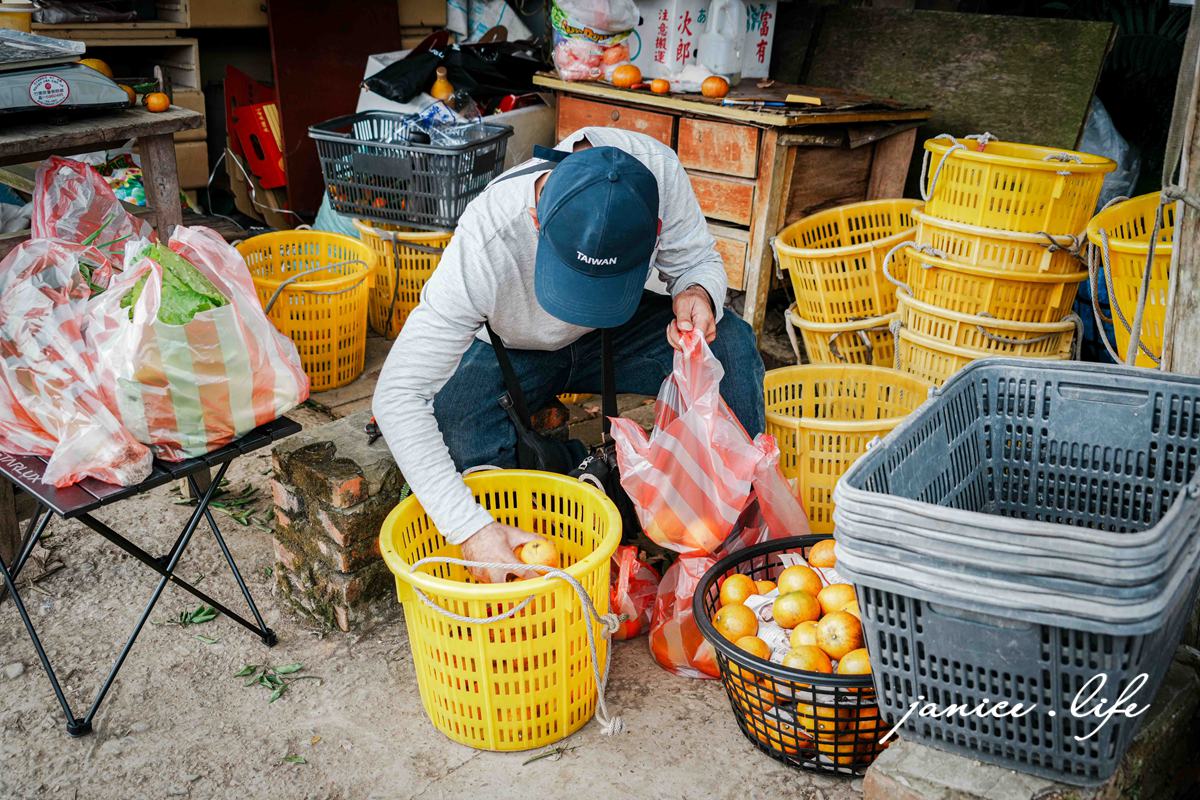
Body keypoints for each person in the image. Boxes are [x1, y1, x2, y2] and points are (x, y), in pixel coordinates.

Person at [373, 126, 766, 583]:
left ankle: (733, 546)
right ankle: (552, 498)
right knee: (459, 425)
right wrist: (469, 528)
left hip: (618, 333)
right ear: (538, 218)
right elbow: (398, 394)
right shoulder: (486, 238)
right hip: (508, 348)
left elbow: (696, 259)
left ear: (653, 230)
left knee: (732, 345)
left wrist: (697, 292)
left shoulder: (658, 173)